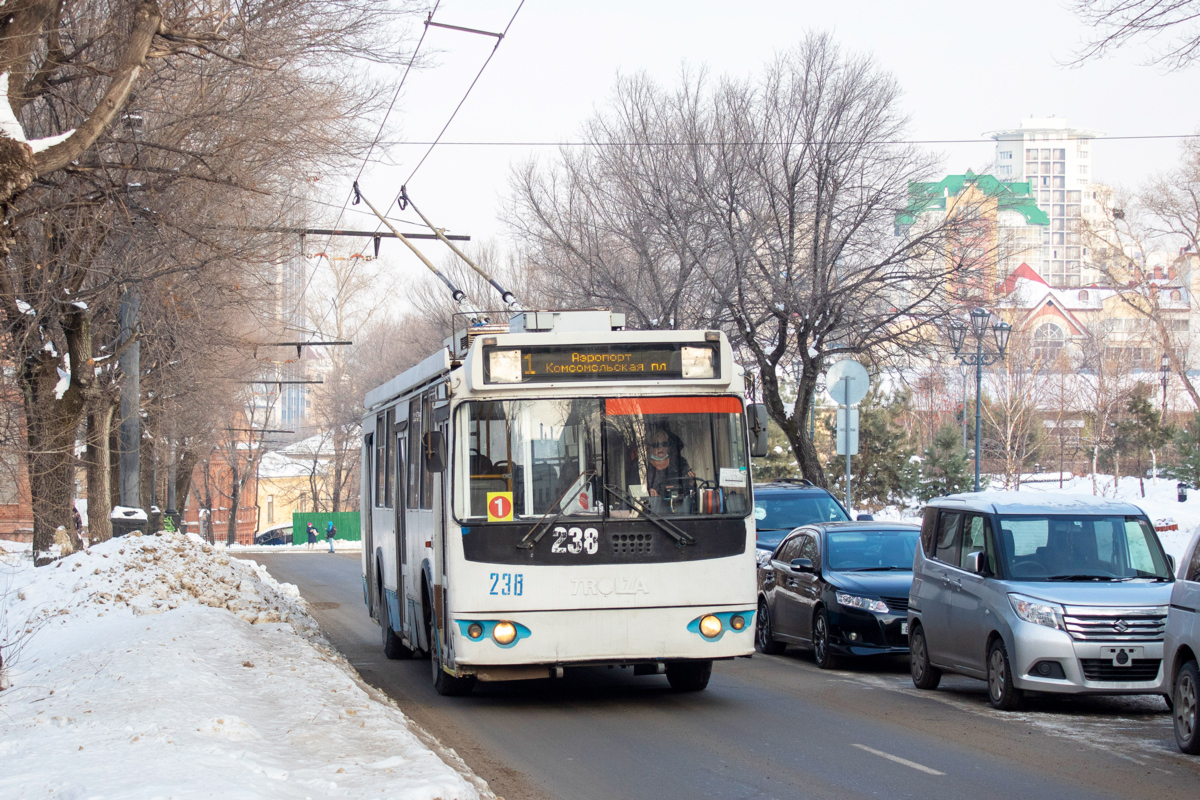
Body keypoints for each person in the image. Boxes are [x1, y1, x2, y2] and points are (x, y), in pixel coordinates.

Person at [644, 425, 695, 511]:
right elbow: (636, 493)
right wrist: (648, 494)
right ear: (649, 448)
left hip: (679, 514)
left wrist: (691, 482)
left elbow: (688, 493)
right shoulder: (643, 468)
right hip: (652, 515)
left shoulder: (680, 463)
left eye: (664, 444)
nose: (661, 448)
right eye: (656, 445)